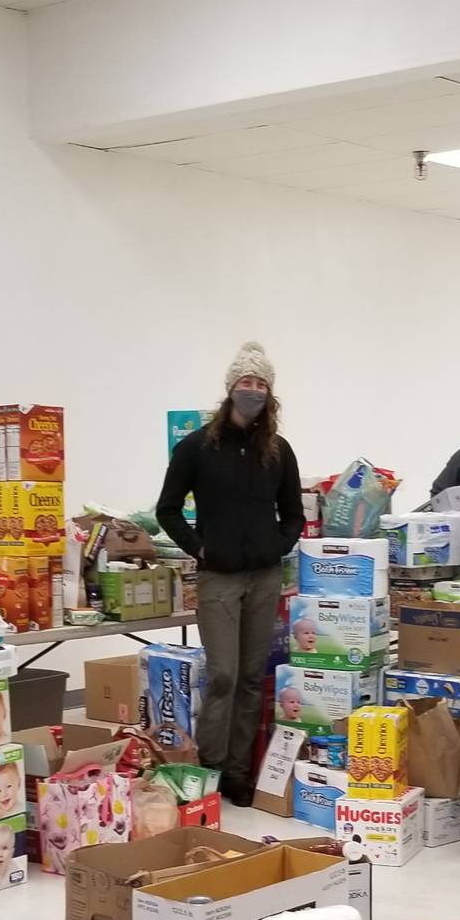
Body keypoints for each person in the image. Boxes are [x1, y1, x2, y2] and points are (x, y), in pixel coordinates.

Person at [156, 341, 306, 806]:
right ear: (230, 389)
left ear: (271, 393)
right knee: (222, 673)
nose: (253, 390)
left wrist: (277, 546)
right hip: (219, 578)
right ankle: (209, 766)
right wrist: (201, 549)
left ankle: (238, 772)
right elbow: (168, 509)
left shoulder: (278, 451)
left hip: (263, 577)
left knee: (249, 677)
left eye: (261, 384)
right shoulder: (198, 447)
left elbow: (294, 514)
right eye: (246, 382)